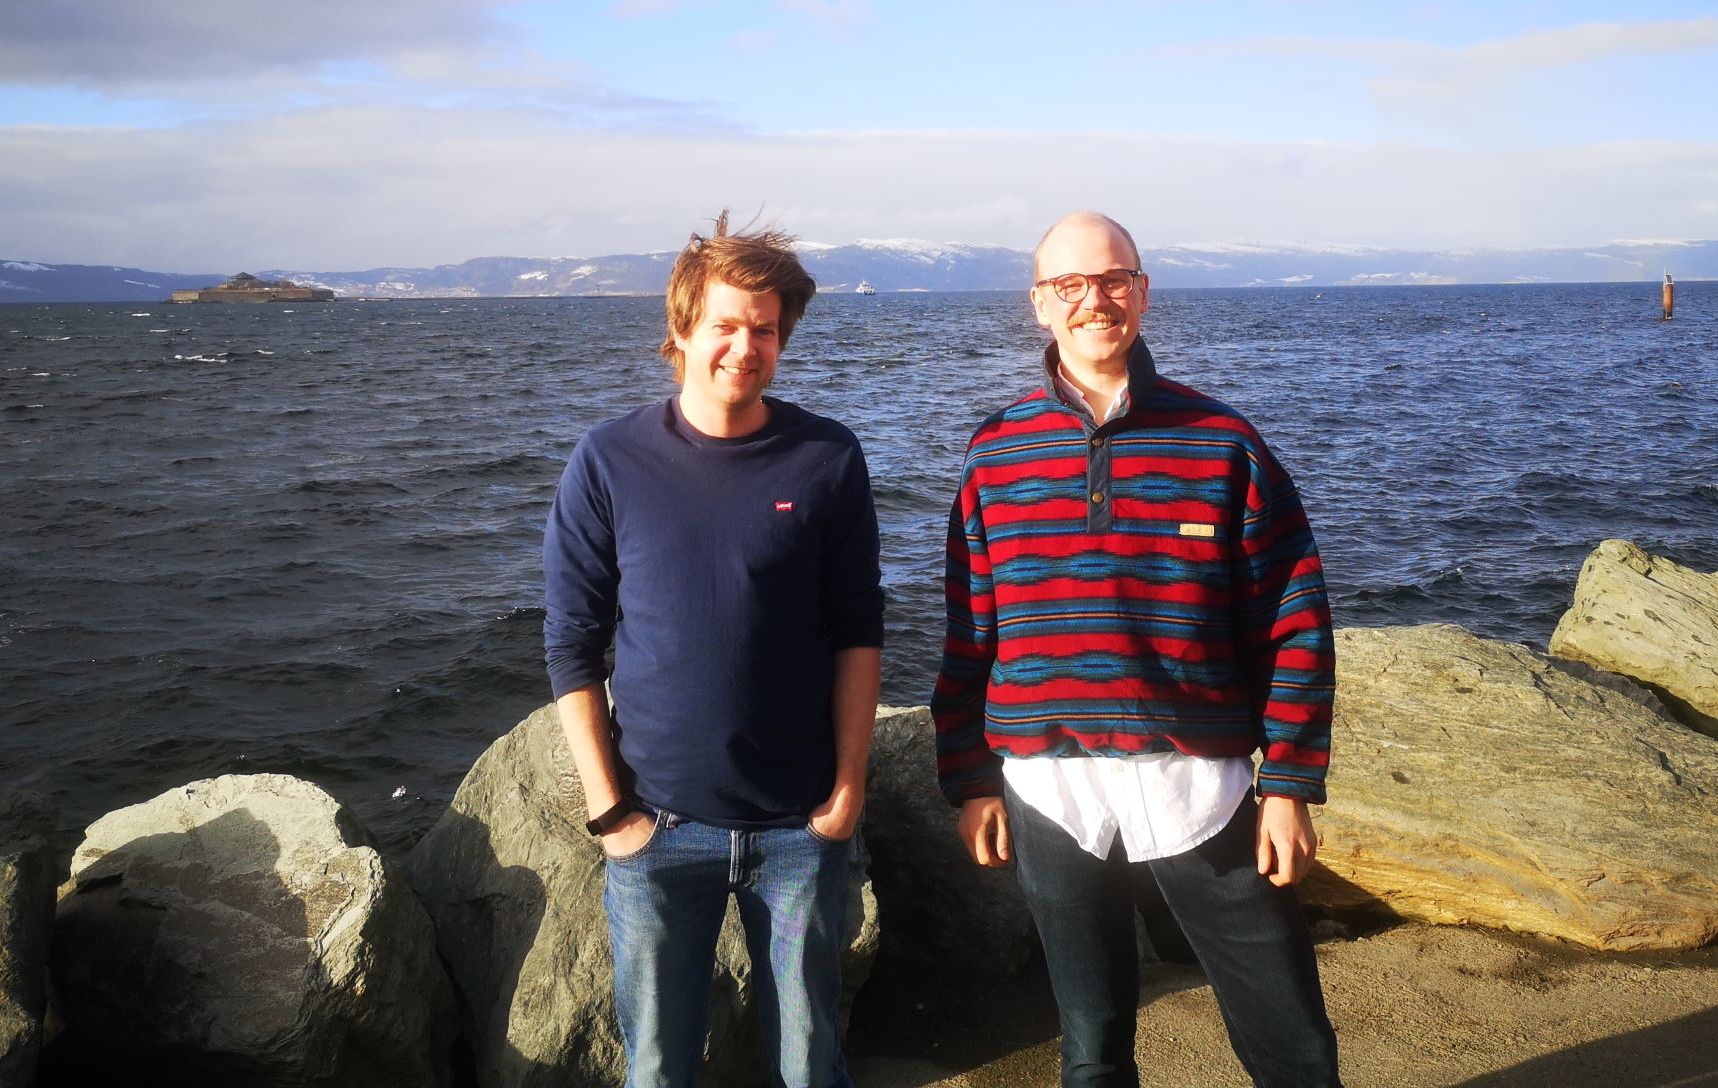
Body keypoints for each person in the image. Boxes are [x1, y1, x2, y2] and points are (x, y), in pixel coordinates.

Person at [931, 211, 1341, 1087]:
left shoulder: (1224, 444)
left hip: (1203, 787)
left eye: (1114, 279)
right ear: (1040, 304)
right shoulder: (994, 454)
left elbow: (1295, 616)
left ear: (1143, 292)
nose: (1095, 301)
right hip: (1052, 793)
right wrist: (970, 779)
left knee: (1293, 1044)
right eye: (1071, 285)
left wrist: (1291, 786)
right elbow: (970, 633)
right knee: (1091, 1048)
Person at [544, 210, 884, 1088]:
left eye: (765, 329)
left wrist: (847, 791)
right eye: (726, 324)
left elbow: (858, 632)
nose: (745, 346)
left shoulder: (826, 458)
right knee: (657, 1067)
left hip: (800, 830)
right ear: (682, 331)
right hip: (658, 829)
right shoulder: (608, 461)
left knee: (811, 1065)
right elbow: (572, 647)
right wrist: (611, 814)